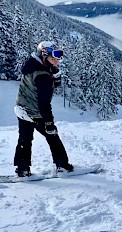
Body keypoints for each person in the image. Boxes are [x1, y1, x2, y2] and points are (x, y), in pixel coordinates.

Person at [14, 41, 73, 177]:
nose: (57, 61)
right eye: (54, 58)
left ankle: (22, 168)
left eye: (58, 57)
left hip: (22, 109)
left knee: (25, 139)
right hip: (36, 112)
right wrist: (49, 123)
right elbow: (44, 102)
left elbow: (37, 85)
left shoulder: (31, 65)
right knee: (53, 137)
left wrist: (53, 78)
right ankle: (62, 165)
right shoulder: (43, 76)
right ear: (44, 56)